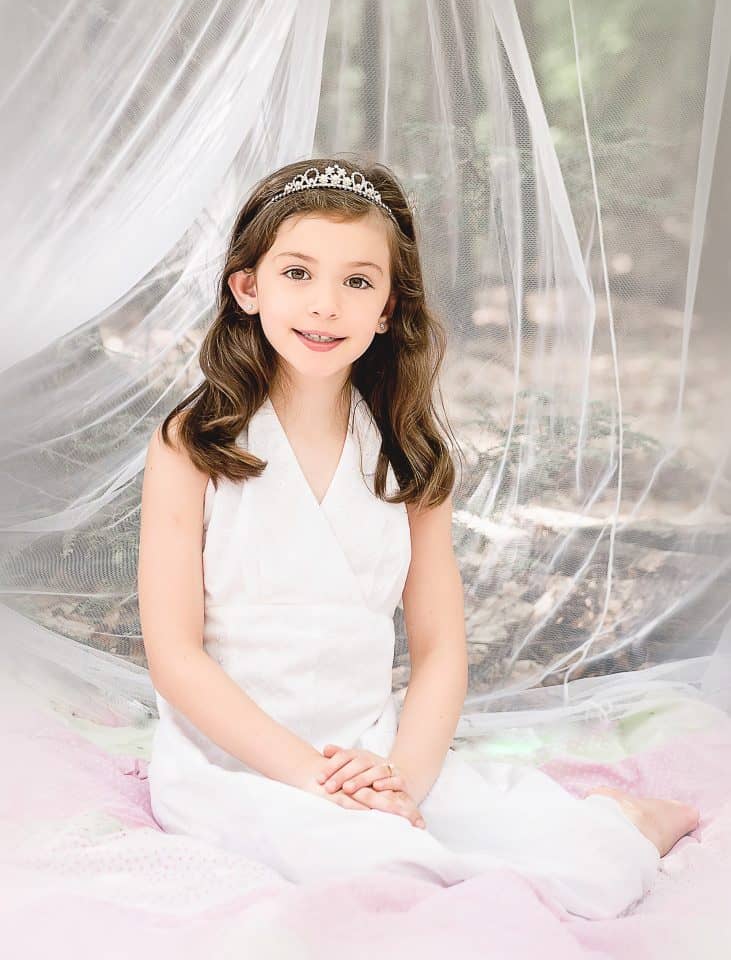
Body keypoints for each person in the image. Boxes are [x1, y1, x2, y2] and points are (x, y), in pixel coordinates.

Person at [138, 157, 699, 920]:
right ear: (247, 288)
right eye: (297, 273)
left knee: (573, 867)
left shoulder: (407, 455)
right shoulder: (191, 444)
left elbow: (439, 650)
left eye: (357, 282)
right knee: (374, 868)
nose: (325, 305)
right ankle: (556, 827)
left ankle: (618, 822)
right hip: (237, 756)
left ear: (386, 309)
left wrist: (397, 776)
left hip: (371, 749)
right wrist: (313, 776)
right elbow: (175, 653)